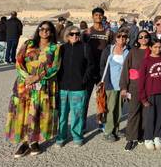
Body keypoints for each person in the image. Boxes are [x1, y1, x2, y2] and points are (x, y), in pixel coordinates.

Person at [5, 21, 60, 158]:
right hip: (25, 84)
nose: (44, 31)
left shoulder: (55, 47)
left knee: (38, 111)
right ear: (38, 30)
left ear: (52, 32)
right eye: (42, 29)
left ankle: (34, 141)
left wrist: (37, 77)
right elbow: (18, 61)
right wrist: (27, 77)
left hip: (43, 85)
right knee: (23, 112)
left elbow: (55, 67)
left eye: (48, 29)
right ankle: (24, 142)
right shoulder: (29, 44)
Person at [56, 26, 94, 147]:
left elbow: (91, 65)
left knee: (77, 113)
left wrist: (84, 80)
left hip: (79, 87)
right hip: (63, 87)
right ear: (67, 36)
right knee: (62, 114)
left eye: (77, 34)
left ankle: (77, 136)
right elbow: (56, 66)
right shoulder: (62, 48)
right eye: (71, 34)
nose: (75, 36)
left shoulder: (85, 47)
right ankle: (61, 136)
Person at [82, 7, 114, 132]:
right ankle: (82, 124)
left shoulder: (108, 33)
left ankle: (101, 121)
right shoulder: (87, 32)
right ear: (92, 16)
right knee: (86, 98)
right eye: (96, 15)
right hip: (90, 69)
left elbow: (113, 49)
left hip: (103, 69)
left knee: (102, 97)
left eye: (100, 15)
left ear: (103, 17)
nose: (98, 17)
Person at [138, 39, 161, 150]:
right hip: (150, 93)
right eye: (155, 47)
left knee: (160, 116)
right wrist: (143, 97)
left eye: (160, 47)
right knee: (150, 117)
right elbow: (141, 80)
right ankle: (148, 137)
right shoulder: (146, 61)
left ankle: (157, 136)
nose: (158, 49)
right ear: (151, 48)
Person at [120, 30, 151, 151]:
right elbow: (126, 69)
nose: (143, 39)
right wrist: (124, 86)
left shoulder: (153, 50)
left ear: (149, 38)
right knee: (133, 113)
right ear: (137, 39)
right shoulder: (133, 51)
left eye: (146, 37)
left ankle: (141, 135)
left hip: (149, 87)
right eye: (141, 37)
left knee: (145, 113)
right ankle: (130, 138)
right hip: (134, 86)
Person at [99, 29, 129, 142]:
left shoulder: (128, 51)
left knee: (119, 109)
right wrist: (106, 82)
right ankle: (108, 131)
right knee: (111, 109)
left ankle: (115, 130)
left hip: (122, 85)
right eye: (119, 36)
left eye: (124, 36)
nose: (122, 38)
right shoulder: (108, 50)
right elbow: (102, 66)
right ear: (115, 37)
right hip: (111, 84)